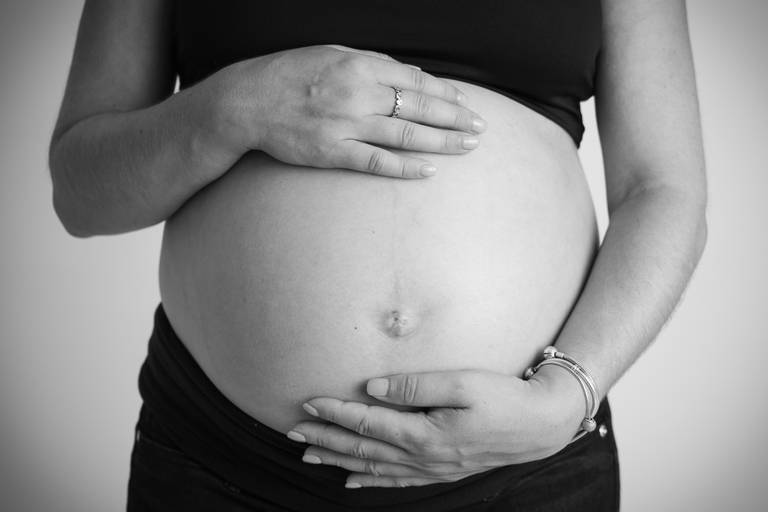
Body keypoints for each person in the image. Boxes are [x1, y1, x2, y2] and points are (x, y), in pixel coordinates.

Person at [49, 0, 707, 510]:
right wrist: (234, 107)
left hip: (522, 466)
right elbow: (82, 192)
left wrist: (567, 399)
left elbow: (662, 189)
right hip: (223, 458)